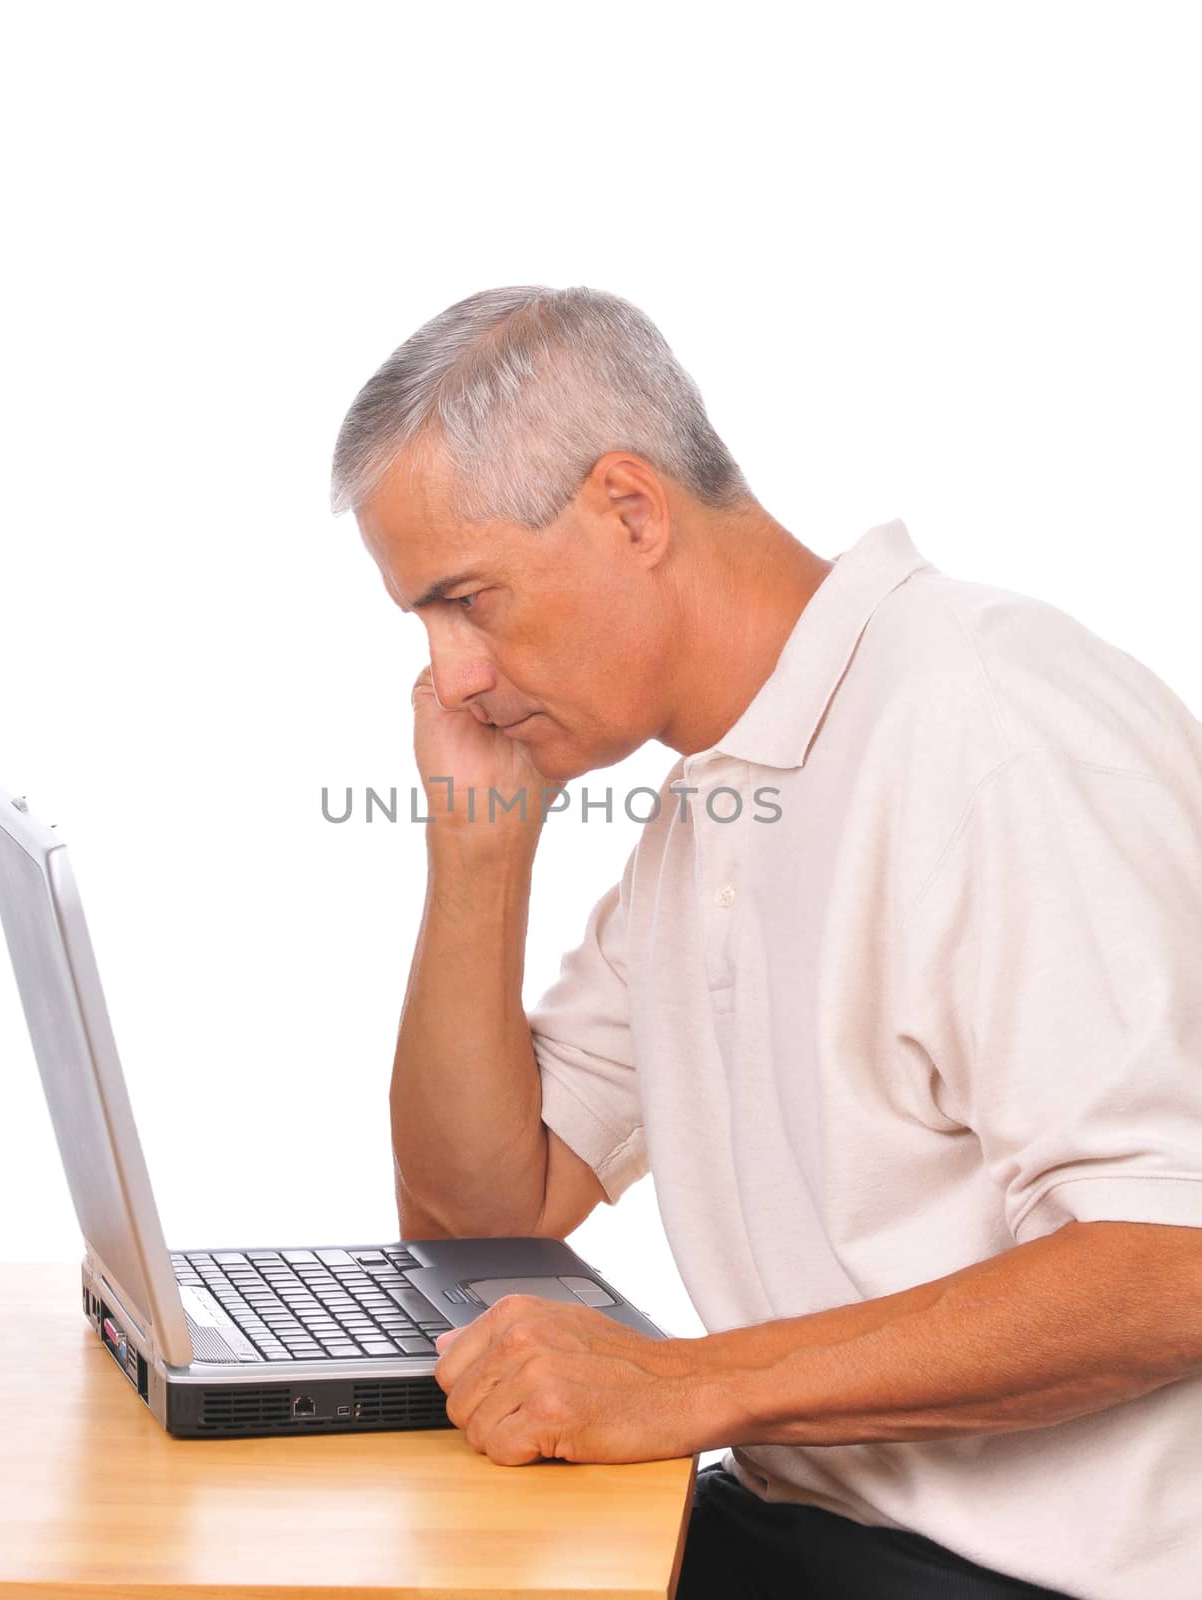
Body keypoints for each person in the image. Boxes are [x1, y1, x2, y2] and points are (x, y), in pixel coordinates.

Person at [330, 284, 1202, 1600]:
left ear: (630, 509)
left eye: (468, 601)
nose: (450, 676)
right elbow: (481, 1221)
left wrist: (689, 1385)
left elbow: (1171, 1259)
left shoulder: (989, 720)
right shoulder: (715, 802)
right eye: (424, 625)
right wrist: (478, 854)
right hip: (810, 1530)